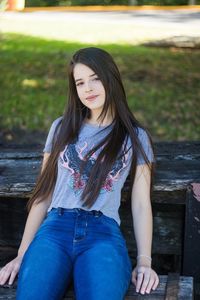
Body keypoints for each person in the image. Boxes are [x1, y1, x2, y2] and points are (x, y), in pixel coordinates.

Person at [0, 47, 159, 299]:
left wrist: (145, 261)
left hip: (103, 234)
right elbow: (44, 194)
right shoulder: (62, 128)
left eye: (96, 78)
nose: (88, 88)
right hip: (54, 230)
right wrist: (22, 254)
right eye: (80, 82)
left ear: (111, 79)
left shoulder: (135, 137)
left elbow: (141, 203)